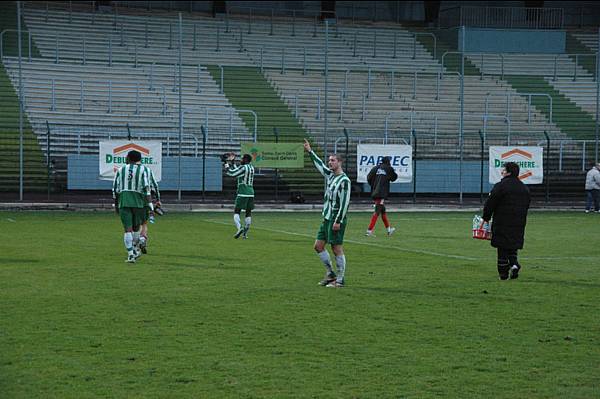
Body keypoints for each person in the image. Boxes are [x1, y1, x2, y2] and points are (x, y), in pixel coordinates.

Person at [303, 139, 351, 288]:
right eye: (329, 160)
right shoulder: (331, 176)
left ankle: (340, 280)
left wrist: (338, 221)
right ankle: (331, 274)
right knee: (318, 246)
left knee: (336, 248)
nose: (330, 163)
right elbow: (319, 165)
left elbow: (344, 204)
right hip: (326, 218)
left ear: (340, 162)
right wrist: (310, 151)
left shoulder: (344, 181)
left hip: (336, 219)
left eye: (333, 160)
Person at [482, 162, 531, 280]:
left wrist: (486, 217)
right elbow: (527, 204)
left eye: (503, 170)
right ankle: (514, 264)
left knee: (502, 247)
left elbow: (491, 202)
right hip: (519, 222)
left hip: (502, 220)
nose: (501, 172)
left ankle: (503, 274)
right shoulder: (524, 188)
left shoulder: (501, 186)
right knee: (513, 245)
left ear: (508, 172)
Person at [112, 150, 153, 263]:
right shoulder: (143, 170)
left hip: (124, 200)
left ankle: (131, 254)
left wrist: (116, 204)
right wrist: (150, 205)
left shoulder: (120, 170)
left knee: (127, 229)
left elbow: (115, 189)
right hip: (138, 202)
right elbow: (146, 187)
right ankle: (135, 249)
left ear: (129, 158)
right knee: (136, 228)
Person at [366, 156, 398, 237]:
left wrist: (374, 186)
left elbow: (369, 177)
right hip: (382, 193)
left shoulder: (375, 168)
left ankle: (389, 229)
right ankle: (369, 231)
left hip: (375, 191)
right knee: (377, 211)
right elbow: (394, 178)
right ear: (388, 162)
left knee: (382, 210)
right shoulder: (389, 168)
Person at [224, 153, 255, 239]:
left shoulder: (243, 167)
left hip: (242, 192)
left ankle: (239, 228)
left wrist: (225, 163)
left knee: (237, 211)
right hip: (251, 193)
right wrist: (232, 163)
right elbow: (239, 171)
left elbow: (232, 173)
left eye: (242, 159)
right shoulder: (251, 168)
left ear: (245, 160)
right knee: (248, 212)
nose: (241, 160)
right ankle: (245, 234)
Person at [138, 166, 161, 254]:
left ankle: (134, 246)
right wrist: (158, 199)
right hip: (146, 198)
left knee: (134, 223)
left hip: (133, 198)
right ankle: (142, 238)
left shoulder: (127, 169)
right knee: (144, 222)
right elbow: (155, 185)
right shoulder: (147, 170)